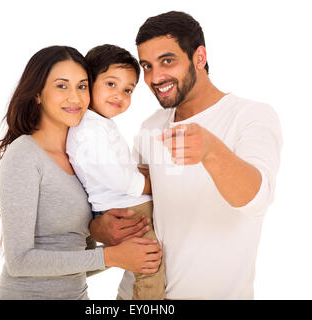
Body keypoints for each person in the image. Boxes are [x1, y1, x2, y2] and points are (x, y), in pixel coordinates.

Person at [89, 11, 283, 300]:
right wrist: (99, 229)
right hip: (137, 295)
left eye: (167, 61)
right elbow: (127, 198)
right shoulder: (151, 125)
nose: (156, 77)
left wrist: (210, 150)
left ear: (199, 57)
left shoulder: (250, 116)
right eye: (147, 66)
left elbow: (257, 199)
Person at [0, 45, 162, 300]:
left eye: (82, 86)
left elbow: (76, 262)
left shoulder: (82, 159)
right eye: (62, 86)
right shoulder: (24, 154)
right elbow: (19, 262)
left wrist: (103, 237)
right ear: (37, 94)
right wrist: (110, 256)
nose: (75, 97)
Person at [66, 44, 165, 300]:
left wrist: (140, 172)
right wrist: (148, 184)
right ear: (88, 82)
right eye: (111, 84)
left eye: (128, 90)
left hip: (127, 205)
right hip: (124, 212)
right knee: (149, 266)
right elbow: (116, 176)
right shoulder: (88, 128)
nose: (119, 95)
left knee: (149, 264)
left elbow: (117, 167)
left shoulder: (99, 124)